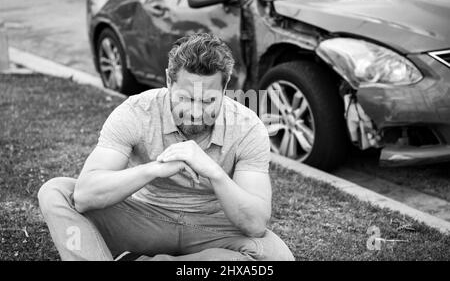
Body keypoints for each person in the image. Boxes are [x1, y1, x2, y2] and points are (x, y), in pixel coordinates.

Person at [38, 33, 295, 261]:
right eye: (185, 98)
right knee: (57, 192)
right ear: (169, 82)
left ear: (226, 88)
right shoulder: (136, 111)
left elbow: (255, 224)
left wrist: (214, 173)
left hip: (210, 228)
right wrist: (153, 170)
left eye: (208, 101)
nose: (195, 111)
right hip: (143, 219)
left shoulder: (248, 127)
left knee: (277, 256)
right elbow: (84, 196)